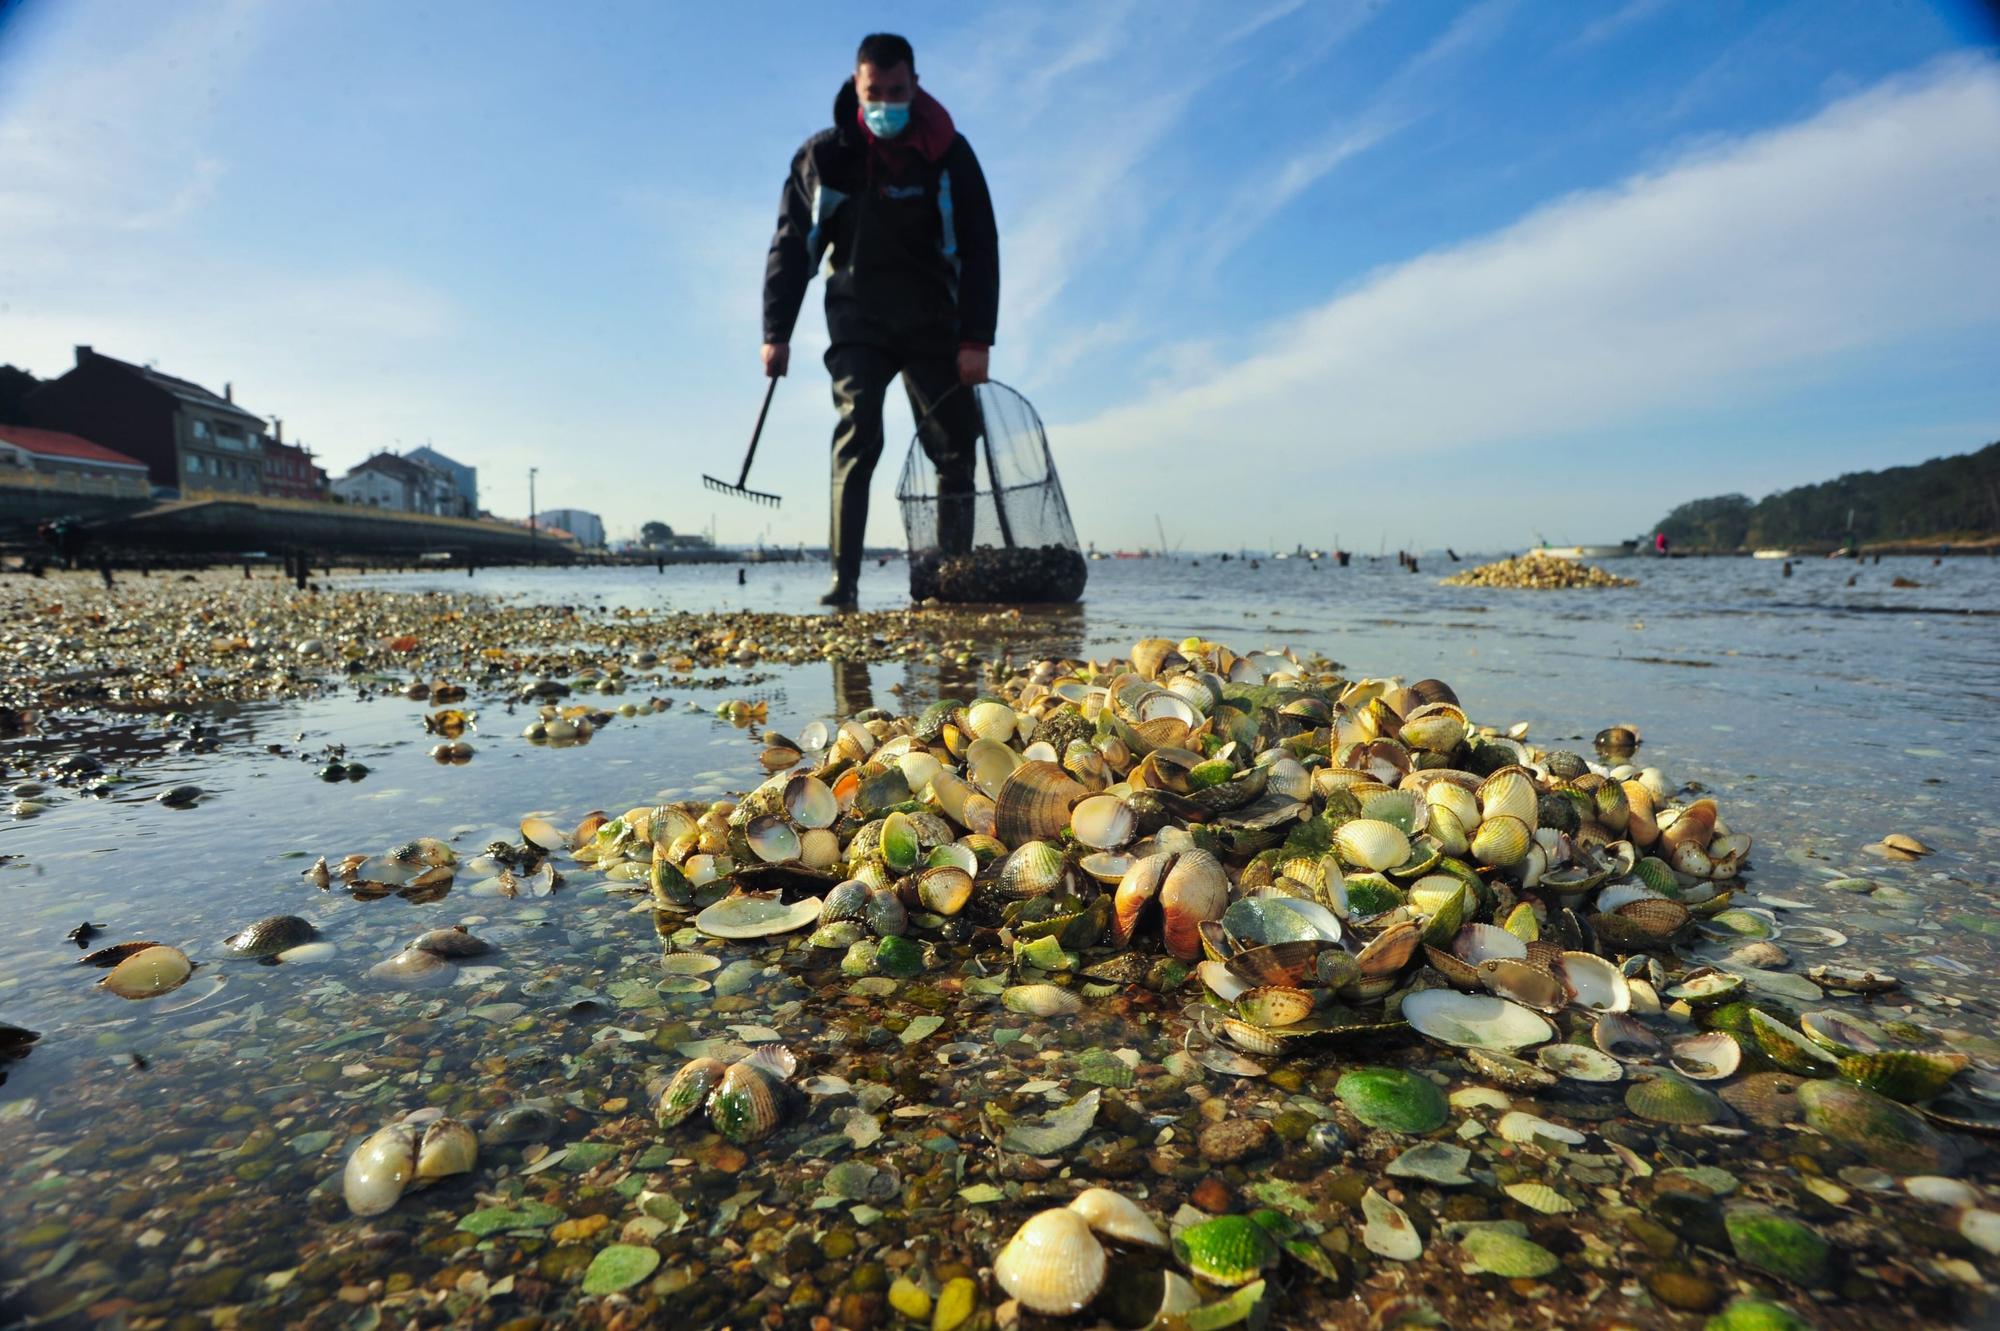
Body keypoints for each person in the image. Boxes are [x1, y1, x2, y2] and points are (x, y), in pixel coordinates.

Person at [761, 32, 1000, 607]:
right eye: (876, 92)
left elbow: (981, 248)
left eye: (897, 91)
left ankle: (952, 579)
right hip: (856, 321)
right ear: (856, 85)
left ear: (915, 86)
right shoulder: (825, 156)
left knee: (954, 449)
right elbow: (794, 246)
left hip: (933, 324)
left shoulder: (950, 153)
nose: (886, 103)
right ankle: (843, 584)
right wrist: (777, 332)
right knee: (857, 434)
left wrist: (977, 339)